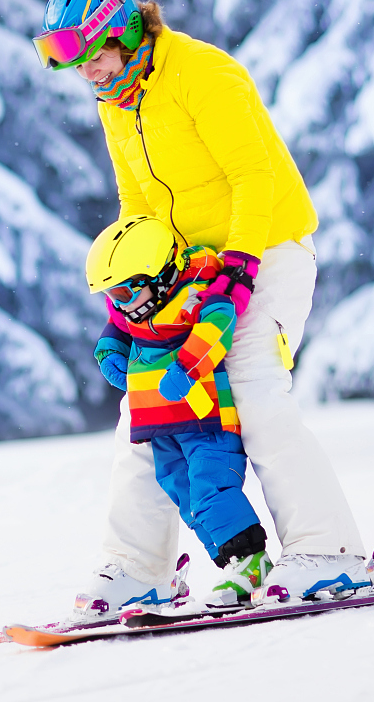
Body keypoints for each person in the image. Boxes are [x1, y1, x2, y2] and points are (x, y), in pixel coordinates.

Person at [33, 0, 369, 614]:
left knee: (254, 390)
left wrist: (241, 265)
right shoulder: (117, 101)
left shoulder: (203, 73)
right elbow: (137, 203)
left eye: (88, 53)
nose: (85, 73)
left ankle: (331, 554)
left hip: (266, 252)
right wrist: (131, 299)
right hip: (185, 277)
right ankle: (138, 569)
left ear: (124, 33)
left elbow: (254, 176)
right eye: (66, 60)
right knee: (146, 409)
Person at [79, 214, 278, 617]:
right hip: (162, 427)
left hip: (204, 422)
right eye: (110, 296)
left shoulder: (196, 294)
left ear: (151, 277)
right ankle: (233, 566)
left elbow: (219, 324)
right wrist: (109, 352)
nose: (117, 305)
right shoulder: (136, 310)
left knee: (211, 491)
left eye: (120, 293)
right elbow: (115, 329)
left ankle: (253, 563)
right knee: (186, 498)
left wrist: (187, 366)